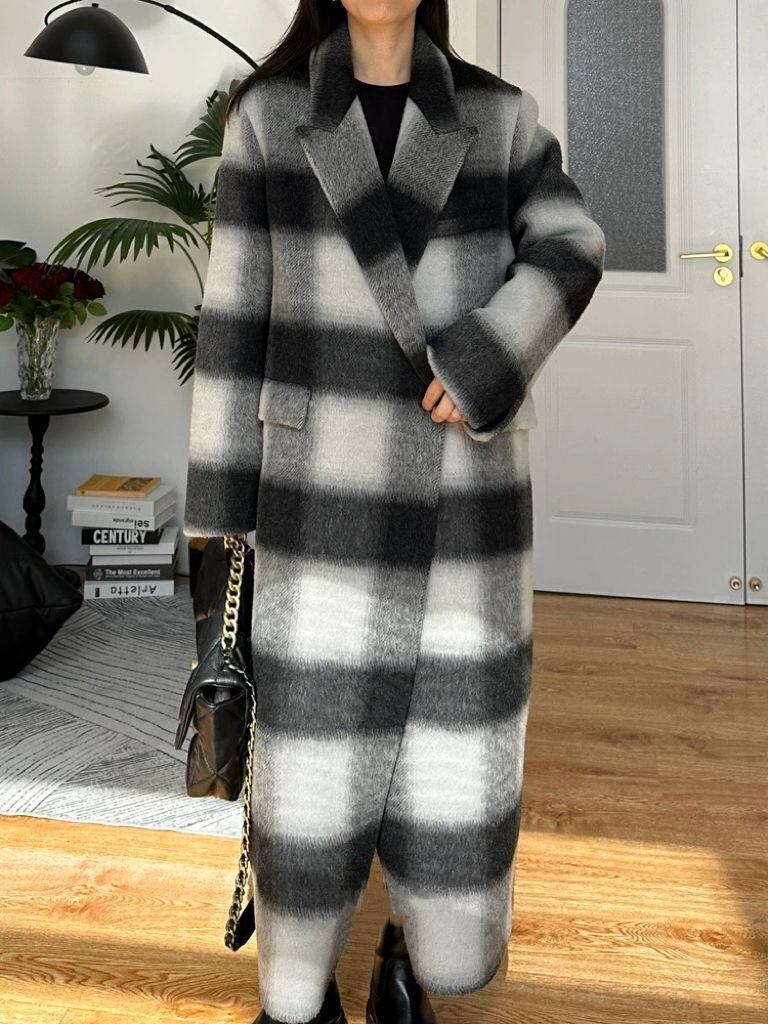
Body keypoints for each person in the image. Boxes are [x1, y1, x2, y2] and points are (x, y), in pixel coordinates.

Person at [182, 1, 606, 1022]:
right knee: (311, 762)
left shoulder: (497, 115)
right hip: (316, 495)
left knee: (456, 746)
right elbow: (234, 320)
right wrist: (218, 520)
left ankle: (419, 952)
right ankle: (300, 985)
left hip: (464, 495)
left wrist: (485, 355)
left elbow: (573, 241)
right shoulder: (269, 114)